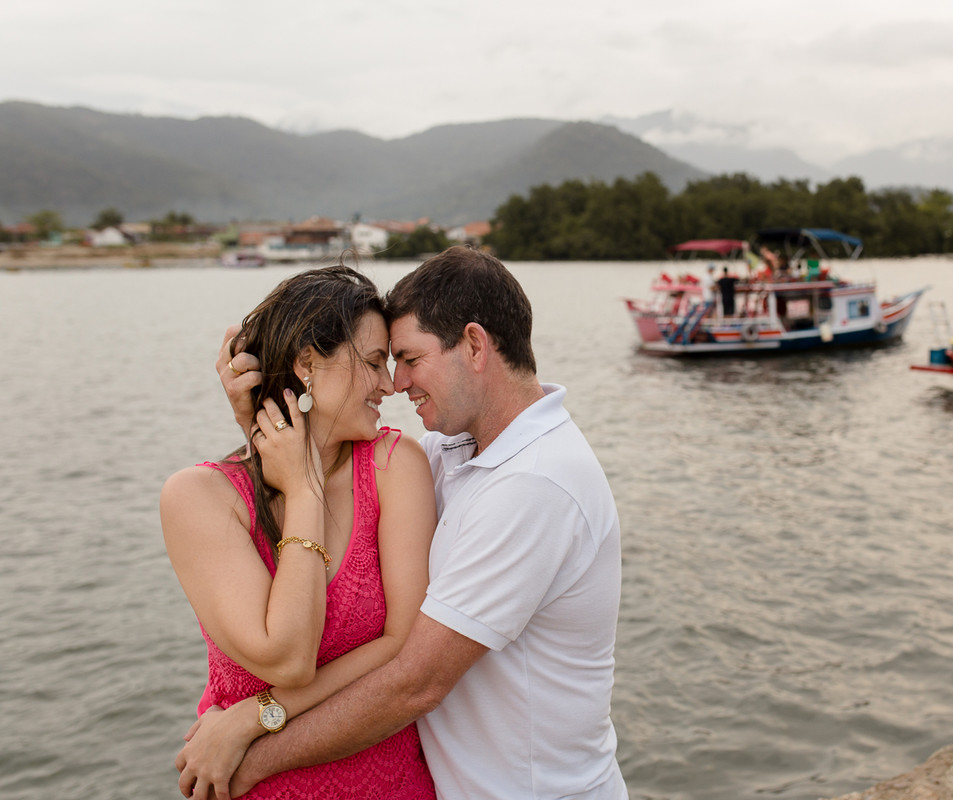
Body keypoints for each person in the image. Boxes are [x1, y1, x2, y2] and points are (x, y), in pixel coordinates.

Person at [185, 246, 628, 800]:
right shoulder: (453, 448)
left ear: (473, 345)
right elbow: (325, 457)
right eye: (381, 361)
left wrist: (248, 759)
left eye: (409, 358)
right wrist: (260, 414)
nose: (396, 383)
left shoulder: (536, 484)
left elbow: (414, 685)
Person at [162, 265, 438, 799]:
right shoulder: (199, 498)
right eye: (376, 362)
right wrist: (305, 489)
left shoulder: (394, 464)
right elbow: (287, 655)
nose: (390, 385)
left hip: (391, 783)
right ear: (308, 363)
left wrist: (253, 718)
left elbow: (403, 644)